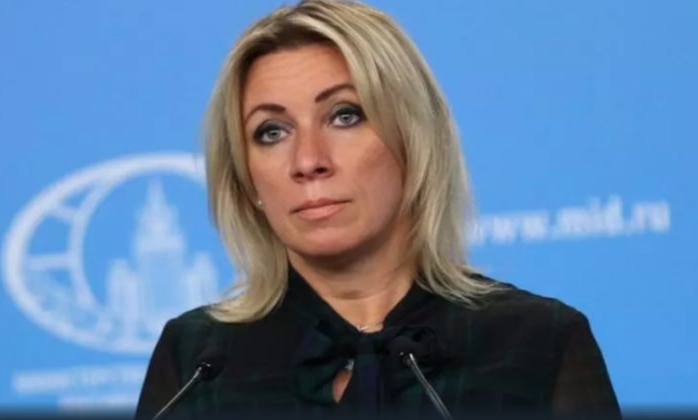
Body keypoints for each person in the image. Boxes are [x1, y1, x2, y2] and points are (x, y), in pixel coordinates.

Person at [136, 1, 621, 419]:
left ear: (413, 140)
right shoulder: (197, 361)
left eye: (345, 115)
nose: (307, 161)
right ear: (247, 179)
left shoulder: (537, 343)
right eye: (272, 132)